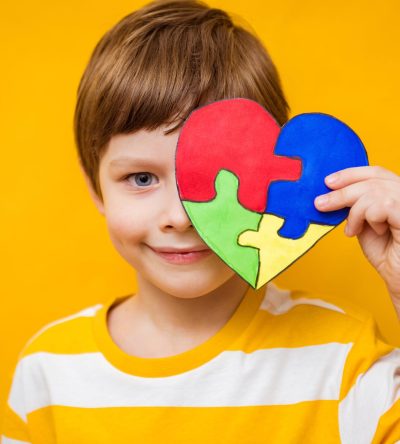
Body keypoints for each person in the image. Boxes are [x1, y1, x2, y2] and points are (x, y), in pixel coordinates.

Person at [2, 1, 400, 442]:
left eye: (206, 177)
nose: (179, 217)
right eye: (141, 178)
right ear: (96, 187)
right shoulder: (48, 372)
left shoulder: (342, 357)